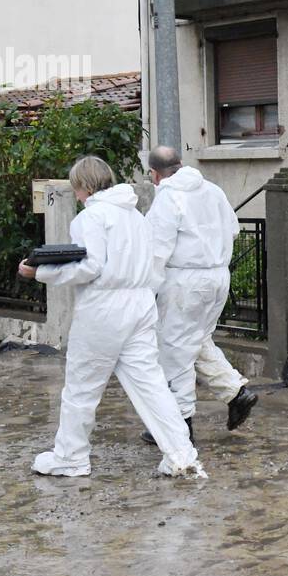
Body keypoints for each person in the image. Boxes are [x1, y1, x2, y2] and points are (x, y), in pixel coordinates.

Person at [18, 156, 204, 479]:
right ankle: (181, 453)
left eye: (77, 188)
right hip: (141, 303)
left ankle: (70, 456)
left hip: (104, 308)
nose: (76, 195)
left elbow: (90, 266)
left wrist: (40, 271)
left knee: (81, 387)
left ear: (85, 186)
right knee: (151, 384)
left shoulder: (91, 218)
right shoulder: (135, 215)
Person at [140, 146, 256, 447]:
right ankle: (235, 393)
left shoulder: (167, 197)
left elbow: (156, 249)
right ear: (180, 164)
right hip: (218, 276)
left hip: (184, 281)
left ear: (154, 173)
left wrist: (145, 290)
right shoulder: (212, 189)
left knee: (174, 349)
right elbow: (233, 230)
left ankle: (179, 426)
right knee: (197, 340)